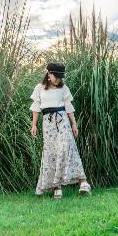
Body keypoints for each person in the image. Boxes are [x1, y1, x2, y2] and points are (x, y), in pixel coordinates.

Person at [30, 62, 91, 199]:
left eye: (60, 77)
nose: (58, 80)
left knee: (68, 147)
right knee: (51, 151)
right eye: (56, 77)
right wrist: (34, 125)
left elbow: (68, 108)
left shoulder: (64, 89)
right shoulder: (40, 88)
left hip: (62, 121)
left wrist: (74, 125)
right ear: (49, 74)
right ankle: (56, 187)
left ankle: (83, 182)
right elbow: (36, 107)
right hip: (48, 124)